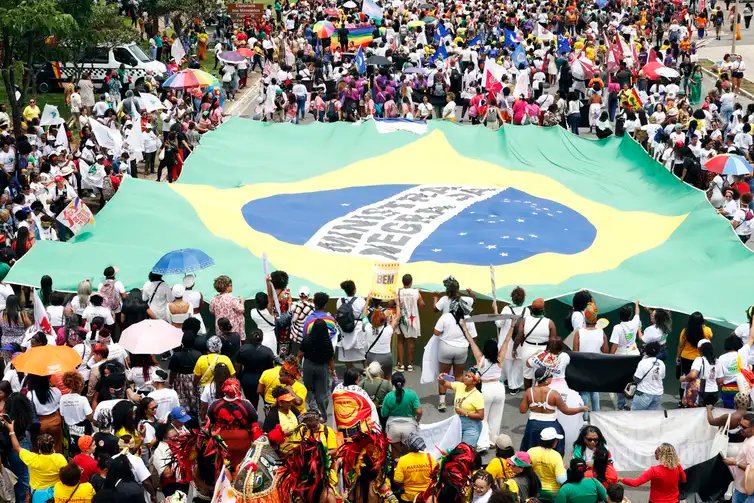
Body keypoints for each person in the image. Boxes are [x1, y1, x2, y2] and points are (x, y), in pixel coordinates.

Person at [520, 368, 588, 455]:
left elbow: (522, 410)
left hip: (533, 425)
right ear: (547, 380)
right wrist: (581, 409)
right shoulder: (554, 394)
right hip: (550, 424)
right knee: (556, 449)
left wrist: (534, 405)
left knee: (530, 450)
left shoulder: (529, 392)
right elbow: (566, 411)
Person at [463, 325, 506, 452]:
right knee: (496, 416)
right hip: (499, 388)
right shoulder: (500, 359)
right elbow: (506, 342)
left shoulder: (481, 359)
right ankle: (493, 440)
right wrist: (512, 327)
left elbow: (471, 343)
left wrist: (465, 328)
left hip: (486, 388)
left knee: (483, 417)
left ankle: (483, 442)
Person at [1, 420, 66, 503]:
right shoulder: (60, 459)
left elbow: (16, 448)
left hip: (38, 495)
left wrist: (11, 430)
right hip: (56, 494)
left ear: (39, 448)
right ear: (53, 446)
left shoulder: (32, 458)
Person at [434, 303, 477, 412]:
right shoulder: (468, 319)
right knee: (459, 375)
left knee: (443, 375)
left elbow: (436, 332)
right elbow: (474, 337)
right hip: (461, 349)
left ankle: (442, 402)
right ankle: (459, 401)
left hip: (446, 348)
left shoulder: (445, 317)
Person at [206, 377, 258, 468]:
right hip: (242, 441)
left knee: (223, 466)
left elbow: (210, 420)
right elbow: (254, 419)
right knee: (241, 466)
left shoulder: (215, 404)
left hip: (221, 441)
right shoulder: (246, 404)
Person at [513, 298, 556, 390]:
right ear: (543, 310)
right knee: (543, 375)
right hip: (543, 350)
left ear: (531, 309)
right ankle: (540, 397)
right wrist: (549, 353)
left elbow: (519, 336)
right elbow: (553, 341)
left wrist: (514, 349)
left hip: (527, 348)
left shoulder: (524, 321)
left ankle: (528, 396)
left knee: (527, 375)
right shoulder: (550, 323)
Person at [572, 302, 608, 414]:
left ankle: (585, 417)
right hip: (596, 366)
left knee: (584, 392)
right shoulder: (601, 332)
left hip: (583, 366)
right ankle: (597, 414)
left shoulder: (579, 333)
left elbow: (575, 353)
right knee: (595, 392)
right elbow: (606, 351)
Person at [621, 443, 686, 503]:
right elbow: (684, 479)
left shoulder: (654, 470)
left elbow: (635, 483)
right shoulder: (678, 466)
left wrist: (621, 479)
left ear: (661, 455)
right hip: (674, 501)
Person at [438, 368, 485, 447]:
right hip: (457, 423)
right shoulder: (460, 386)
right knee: (454, 449)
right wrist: (441, 378)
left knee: (465, 451)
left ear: (474, 382)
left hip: (471, 427)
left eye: (469, 377)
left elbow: (481, 416)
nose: (465, 377)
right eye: (465, 375)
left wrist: (465, 413)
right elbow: (444, 383)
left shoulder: (478, 395)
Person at [496, 286, 530, 395]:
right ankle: (514, 385)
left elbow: (499, 324)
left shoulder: (506, 309)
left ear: (512, 298)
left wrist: (495, 311)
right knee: (518, 364)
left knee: (508, 363)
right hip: (520, 342)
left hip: (507, 341)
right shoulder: (527, 310)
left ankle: (508, 382)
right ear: (524, 298)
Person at [299, 319, 335, 418]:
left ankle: (312, 409)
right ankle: (322, 414)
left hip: (308, 366)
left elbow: (300, 355)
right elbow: (330, 359)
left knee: (309, 389)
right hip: (322, 367)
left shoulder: (307, 339)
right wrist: (333, 371)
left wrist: (297, 368)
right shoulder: (327, 342)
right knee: (322, 392)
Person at [381, 371, 422, 457]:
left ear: (392, 383)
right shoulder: (412, 394)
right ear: (404, 382)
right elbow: (419, 412)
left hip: (393, 428)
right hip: (409, 427)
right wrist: (417, 421)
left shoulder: (389, 396)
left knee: (396, 454)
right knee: (407, 456)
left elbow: (384, 414)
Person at [234, 328, 275, 410]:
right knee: (268, 403)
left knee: (251, 404)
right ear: (262, 339)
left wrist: (238, 378)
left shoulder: (243, 349)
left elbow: (237, 366)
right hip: (264, 381)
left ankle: (253, 420)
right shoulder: (267, 351)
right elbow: (271, 368)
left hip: (247, 379)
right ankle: (268, 420)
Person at [676, 311, 713, 400]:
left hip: (686, 358)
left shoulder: (685, 331)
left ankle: (682, 400)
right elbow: (710, 337)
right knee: (698, 380)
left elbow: (681, 345)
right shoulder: (707, 330)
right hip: (699, 358)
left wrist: (678, 357)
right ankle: (696, 399)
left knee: (684, 380)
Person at [528, 427, 568, 503]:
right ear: (553, 441)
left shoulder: (531, 451)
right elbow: (561, 480)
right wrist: (564, 470)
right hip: (552, 493)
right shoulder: (556, 456)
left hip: (534, 490)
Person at [393, 434, 436, 503]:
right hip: (427, 497)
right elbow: (436, 476)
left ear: (408, 446)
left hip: (409, 497)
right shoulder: (429, 457)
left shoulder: (403, 460)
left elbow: (397, 481)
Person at [680, 338, 722, 408]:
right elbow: (720, 380)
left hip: (702, 393)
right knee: (708, 411)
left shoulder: (699, 360)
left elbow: (693, 375)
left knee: (698, 412)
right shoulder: (717, 361)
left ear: (699, 349)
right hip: (714, 393)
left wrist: (684, 378)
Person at [168, 329, 201, 414]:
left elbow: (173, 372)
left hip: (181, 380)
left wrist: (170, 383)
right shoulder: (198, 354)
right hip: (195, 379)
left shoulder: (176, 355)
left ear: (182, 341)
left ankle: (184, 417)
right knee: (195, 398)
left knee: (182, 399)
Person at [396, 274, 424, 372]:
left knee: (400, 341)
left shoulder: (398, 291)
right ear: (411, 282)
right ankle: (410, 365)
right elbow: (422, 305)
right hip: (413, 319)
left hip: (401, 319)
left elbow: (392, 303)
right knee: (411, 342)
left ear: (402, 282)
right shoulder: (416, 292)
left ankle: (401, 364)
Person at [365, 301, 399, 378]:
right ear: (384, 320)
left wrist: (367, 300)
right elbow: (398, 317)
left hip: (371, 356)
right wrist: (397, 302)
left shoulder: (367, 327)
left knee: (371, 378)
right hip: (386, 357)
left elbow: (364, 315)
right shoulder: (388, 329)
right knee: (388, 379)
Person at [631, 342, 667, 411]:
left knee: (635, 416)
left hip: (644, 394)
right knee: (650, 417)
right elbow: (662, 377)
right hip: (658, 395)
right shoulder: (661, 363)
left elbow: (636, 379)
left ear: (646, 351)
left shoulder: (643, 362)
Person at [209, 275, 245, 339]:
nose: (232, 286)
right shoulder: (231, 298)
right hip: (232, 329)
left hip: (220, 329)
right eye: (230, 285)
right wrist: (242, 302)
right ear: (226, 287)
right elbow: (241, 309)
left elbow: (211, 311)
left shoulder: (214, 299)